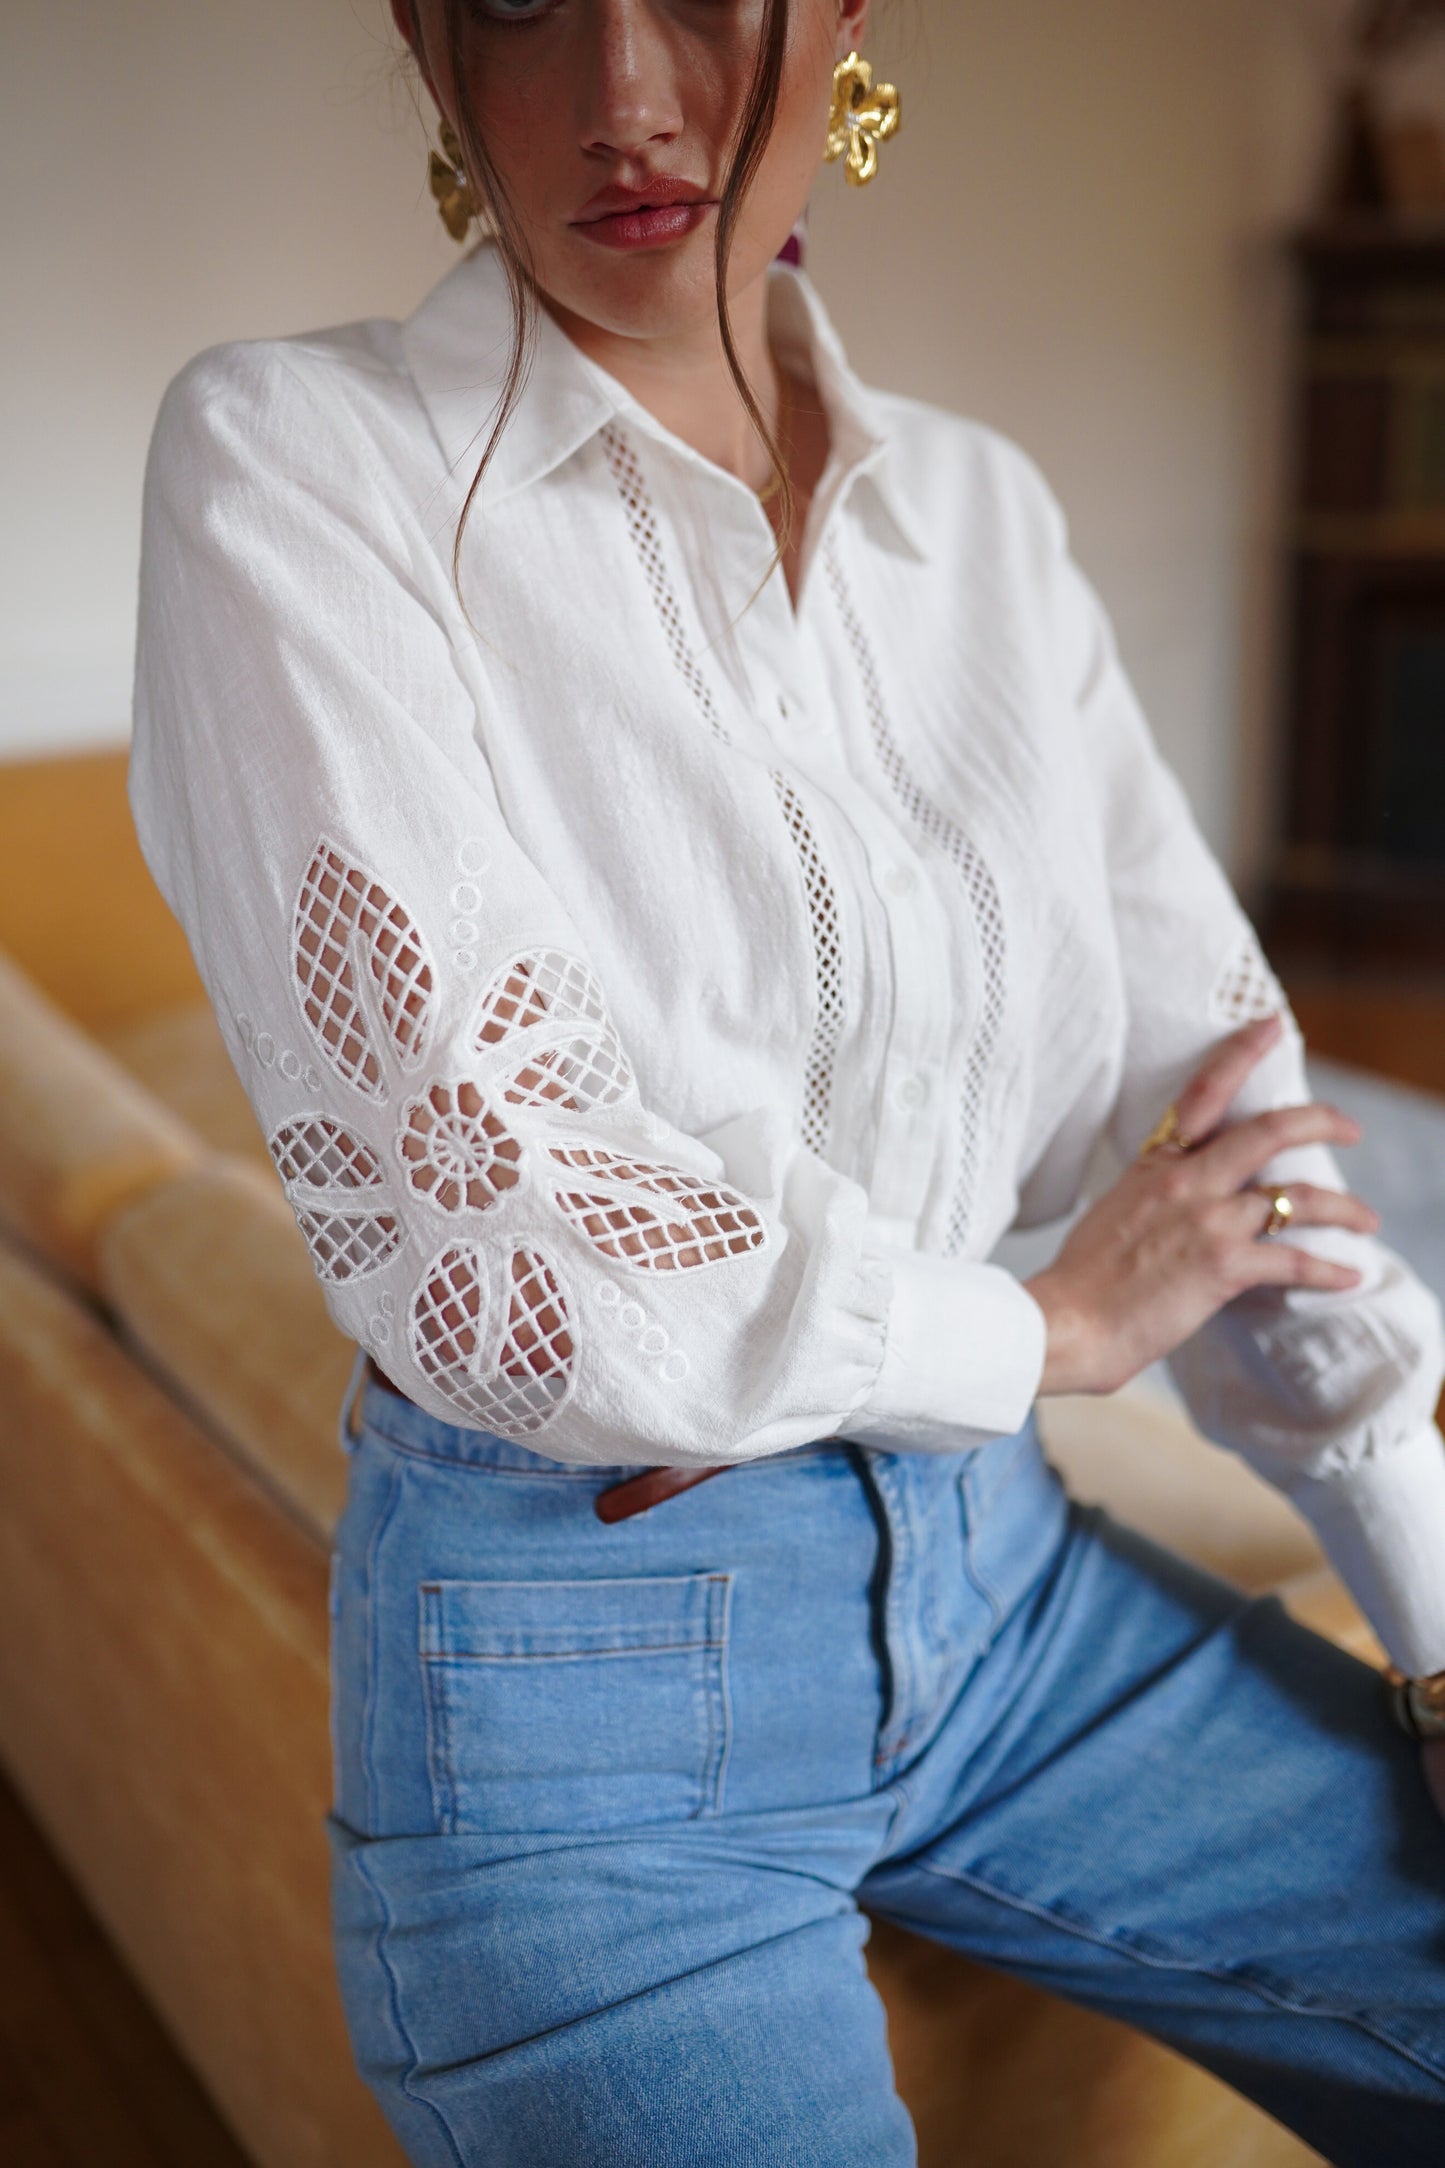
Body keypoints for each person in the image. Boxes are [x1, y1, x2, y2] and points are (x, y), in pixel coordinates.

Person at [127, 2, 1445, 2161]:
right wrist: (1041, 1328)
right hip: (577, 1686)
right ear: (427, 41)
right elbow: (507, 1234)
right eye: (533, 1)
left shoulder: (984, 530)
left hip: (1011, 1595)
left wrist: (1435, 1613)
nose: (628, 99)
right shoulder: (295, 465)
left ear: (842, 17)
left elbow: (1210, 1077)